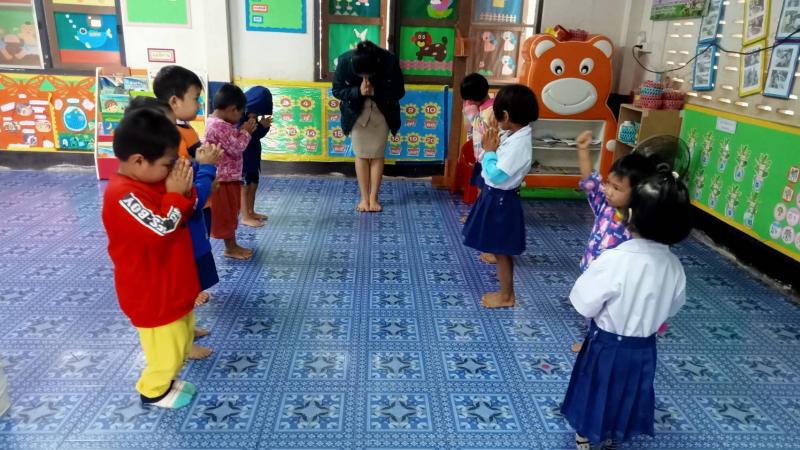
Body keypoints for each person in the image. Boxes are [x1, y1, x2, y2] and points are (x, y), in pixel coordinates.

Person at [561, 164, 692, 450]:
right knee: (628, 392)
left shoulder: (615, 260)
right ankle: (614, 431)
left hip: (606, 345)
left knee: (595, 389)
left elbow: (583, 302)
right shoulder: (674, 266)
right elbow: (673, 306)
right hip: (644, 349)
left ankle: (585, 434)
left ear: (629, 214)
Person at [101, 108, 200, 409]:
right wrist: (176, 195)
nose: (172, 170)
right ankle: (154, 390)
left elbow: (182, 209)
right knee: (165, 352)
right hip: (152, 295)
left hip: (172, 286)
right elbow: (161, 229)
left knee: (181, 340)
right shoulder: (122, 195)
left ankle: (167, 381)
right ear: (138, 161)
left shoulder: (151, 180)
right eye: (167, 164)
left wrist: (183, 192)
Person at [569, 132, 660, 352]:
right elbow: (591, 183)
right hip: (595, 272)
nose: (608, 190)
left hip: (619, 280)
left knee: (610, 315)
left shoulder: (639, 223)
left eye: (617, 188)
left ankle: (602, 345)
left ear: (640, 193)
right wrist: (583, 150)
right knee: (593, 310)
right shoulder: (605, 205)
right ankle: (591, 341)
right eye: (609, 183)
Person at [462, 84, 538, 309]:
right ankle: (505, 290)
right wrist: (492, 144)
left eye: (496, 115)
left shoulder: (520, 145)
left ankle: (506, 296)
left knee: (503, 251)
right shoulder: (513, 133)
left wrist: (489, 152)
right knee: (497, 247)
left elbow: (496, 174)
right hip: (495, 197)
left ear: (505, 115)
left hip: (501, 200)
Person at [332, 40, 405, 212]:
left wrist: (375, 92)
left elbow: (399, 91)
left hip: (382, 111)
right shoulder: (345, 60)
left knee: (377, 155)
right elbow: (337, 90)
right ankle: (364, 199)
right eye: (361, 75)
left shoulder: (389, 60)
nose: (365, 78)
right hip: (356, 112)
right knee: (361, 155)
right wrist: (358, 91)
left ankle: (374, 198)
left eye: (368, 75)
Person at [205, 83, 257, 260]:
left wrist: (241, 131)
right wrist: (246, 132)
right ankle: (230, 248)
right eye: (240, 113)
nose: (240, 117)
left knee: (231, 213)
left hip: (228, 178)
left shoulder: (218, 123)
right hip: (223, 179)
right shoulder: (219, 126)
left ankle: (232, 245)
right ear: (232, 109)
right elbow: (237, 148)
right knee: (227, 214)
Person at [459, 72, 496, 265]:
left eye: (469, 99)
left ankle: (481, 222)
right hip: (482, 158)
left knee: (485, 195)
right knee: (480, 191)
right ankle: (476, 216)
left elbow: (484, 130)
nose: (468, 102)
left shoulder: (490, 111)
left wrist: (472, 114)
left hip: (488, 159)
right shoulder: (484, 107)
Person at [240, 86, 273, 227]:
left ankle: (251, 211)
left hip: (253, 155)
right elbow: (246, 137)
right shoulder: (240, 117)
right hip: (244, 157)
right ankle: (245, 216)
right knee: (245, 187)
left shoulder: (253, 116)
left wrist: (264, 126)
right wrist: (261, 126)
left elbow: (257, 136)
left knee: (254, 183)